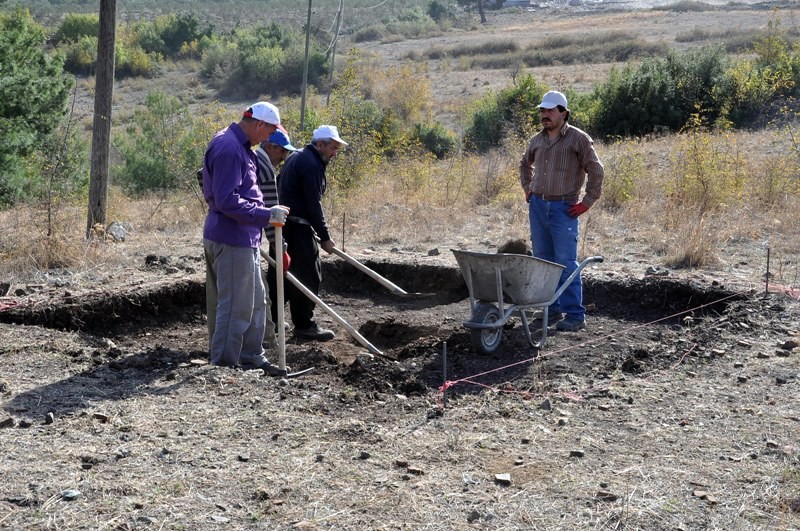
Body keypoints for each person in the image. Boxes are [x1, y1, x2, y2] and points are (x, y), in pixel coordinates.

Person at [201, 101, 291, 374]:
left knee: (256, 300)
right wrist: (267, 215)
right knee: (235, 306)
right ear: (259, 125)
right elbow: (227, 201)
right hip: (231, 238)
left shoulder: (241, 147)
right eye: (270, 131)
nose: (270, 138)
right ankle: (224, 366)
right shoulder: (229, 148)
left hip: (244, 238)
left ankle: (252, 356)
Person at [519, 90, 604, 332]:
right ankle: (551, 308)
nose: (544, 115)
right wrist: (528, 188)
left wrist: (587, 201)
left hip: (564, 208)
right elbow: (525, 164)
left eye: (550, 110)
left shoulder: (578, 139)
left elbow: (597, 170)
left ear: (563, 113)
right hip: (537, 205)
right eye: (542, 111)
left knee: (565, 262)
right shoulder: (536, 140)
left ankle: (575, 315)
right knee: (543, 260)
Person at [277, 125, 348, 341]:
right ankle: (304, 326)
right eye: (333, 148)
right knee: (308, 275)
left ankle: (273, 323)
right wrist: (324, 237)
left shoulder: (297, 156)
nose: (335, 153)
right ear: (320, 144)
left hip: (284, 225)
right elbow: (312, 204)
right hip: (297, 226)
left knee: (282, 273)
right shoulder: (311, 164)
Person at [254, 130, 297, 349]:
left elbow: (202, 174)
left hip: (224, 234)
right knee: (260, 296)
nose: (284, 157)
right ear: (269, 146)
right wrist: (280, 248)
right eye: (281, 151)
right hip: (242, 240)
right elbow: (273, 214)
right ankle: (266, 340)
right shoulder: (264, 167)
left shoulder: (247, 157)